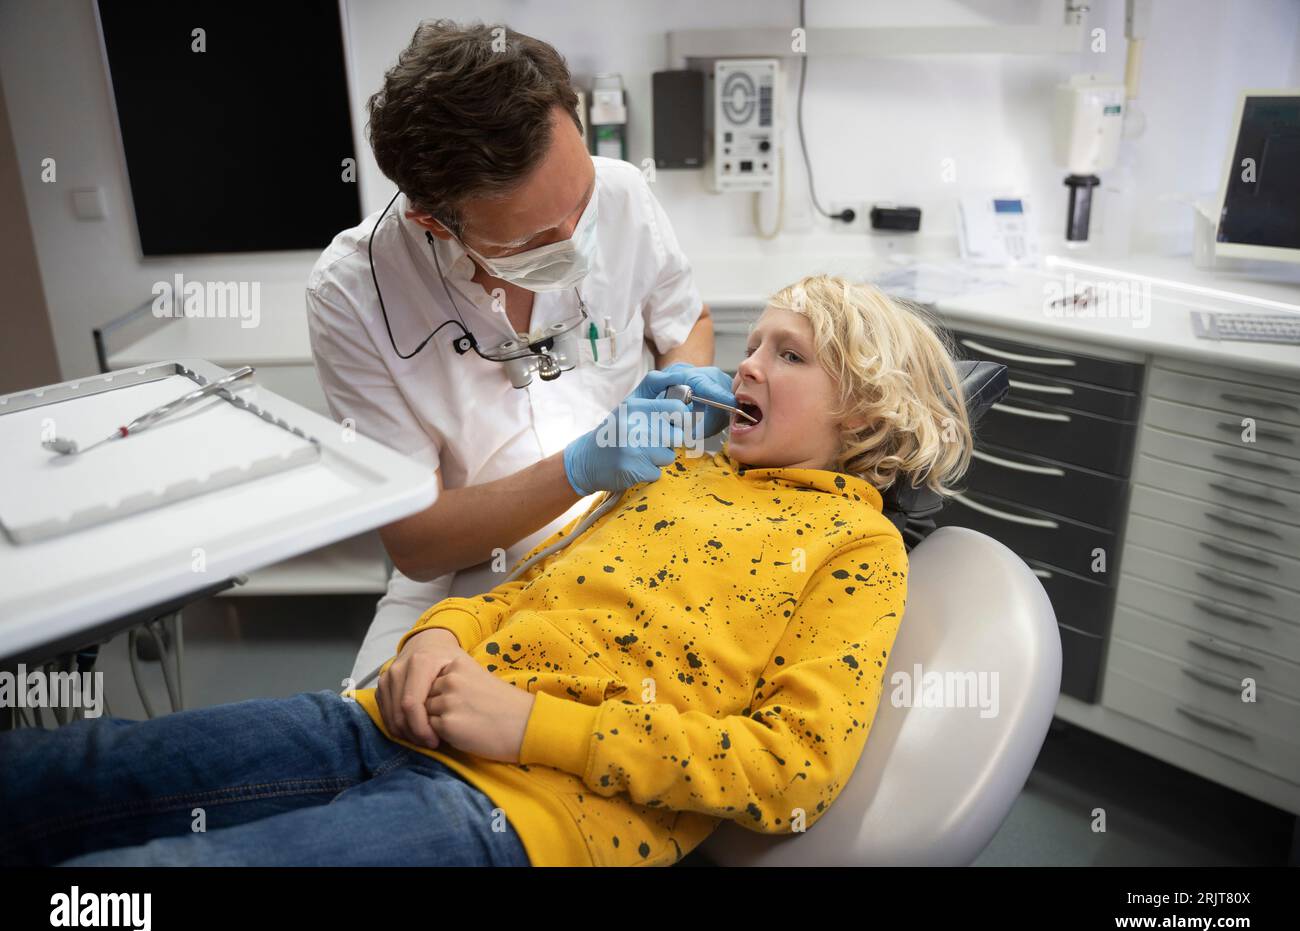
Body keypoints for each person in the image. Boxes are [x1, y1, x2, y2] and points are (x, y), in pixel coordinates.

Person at [0, 276, 974, 867]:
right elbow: (528, 587)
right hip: (391, 714)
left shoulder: (859, 549)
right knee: (88, 768)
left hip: (522, 806)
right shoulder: (675, 465)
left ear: (866, 418)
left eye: (786, 353)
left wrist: (527, 723)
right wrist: (440, 633)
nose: (745, 365)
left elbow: (791, 769)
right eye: (750, 341)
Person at [305, 19, 730, 691]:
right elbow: (418, 546)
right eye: (535, 237)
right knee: (374, 722)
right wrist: (584, 465)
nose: (574, 239)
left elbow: (687, 319)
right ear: (435, 222)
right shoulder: (356, 293)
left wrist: (679, 391)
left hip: (640, 527)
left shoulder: (620, 194)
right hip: (468, 576)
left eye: (580, 206)